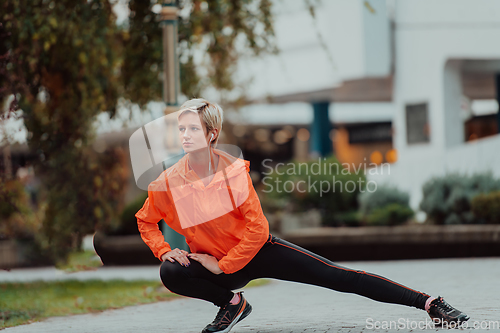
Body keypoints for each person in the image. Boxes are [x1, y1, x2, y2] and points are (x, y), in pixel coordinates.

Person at [136, 98, 469, 333]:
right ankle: (232, 303)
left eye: (193, 129)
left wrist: (222, 265)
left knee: (340, 277)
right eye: (181, 129)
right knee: (171, 272)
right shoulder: (168, 181)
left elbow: (256, 228)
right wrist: (167, 250)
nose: (185, 136)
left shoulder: (232, 172)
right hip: (214, 264)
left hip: (258, 252)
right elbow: (146, 220)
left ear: (211, 134)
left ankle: (429, 303)